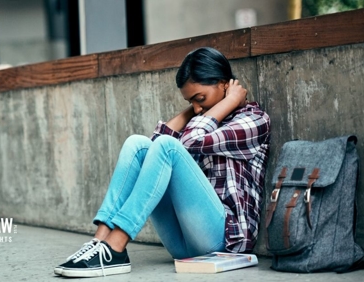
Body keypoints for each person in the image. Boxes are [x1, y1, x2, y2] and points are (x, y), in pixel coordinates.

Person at [54, 47, 271, 278]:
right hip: (183, 245)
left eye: (200, 99)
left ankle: (116, 247)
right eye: (191, 102)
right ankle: (100, 241)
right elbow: (151, 149)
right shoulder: (201, 119)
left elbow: (188, 140)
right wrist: (196, 108)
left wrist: (230, 102)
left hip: (225, 243)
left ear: (224, 84)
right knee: (137, 144)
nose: (197, 108)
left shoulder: (253, 120)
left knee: (169, 146)